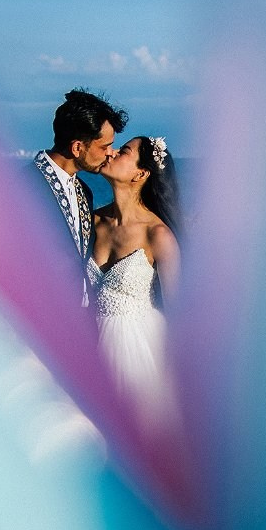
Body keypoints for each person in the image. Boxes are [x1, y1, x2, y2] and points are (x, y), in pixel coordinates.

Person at [90, 135, 181, 429]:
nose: (112, 152)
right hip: (88, 344)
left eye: (124, 151)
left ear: (140, 174)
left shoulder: (158, 234)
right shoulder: (92, 222)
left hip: (138, 351)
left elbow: (178, 314)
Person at [33, 90, 125, 299]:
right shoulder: (25, 187)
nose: (110, 153)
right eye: (104, 146)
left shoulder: (85, 191)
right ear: (77, 147)